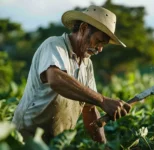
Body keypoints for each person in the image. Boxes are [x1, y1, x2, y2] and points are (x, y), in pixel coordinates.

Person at [12, 5, 131, 144]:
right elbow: (56, 79)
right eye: (98, 41)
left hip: (55, 142)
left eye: (103, 44)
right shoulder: (54, 45)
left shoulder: (87, 65)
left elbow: (89, 109)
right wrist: (102, 100)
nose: (99, 49)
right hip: (25, 138)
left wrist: (103, 145)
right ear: (83, 29)